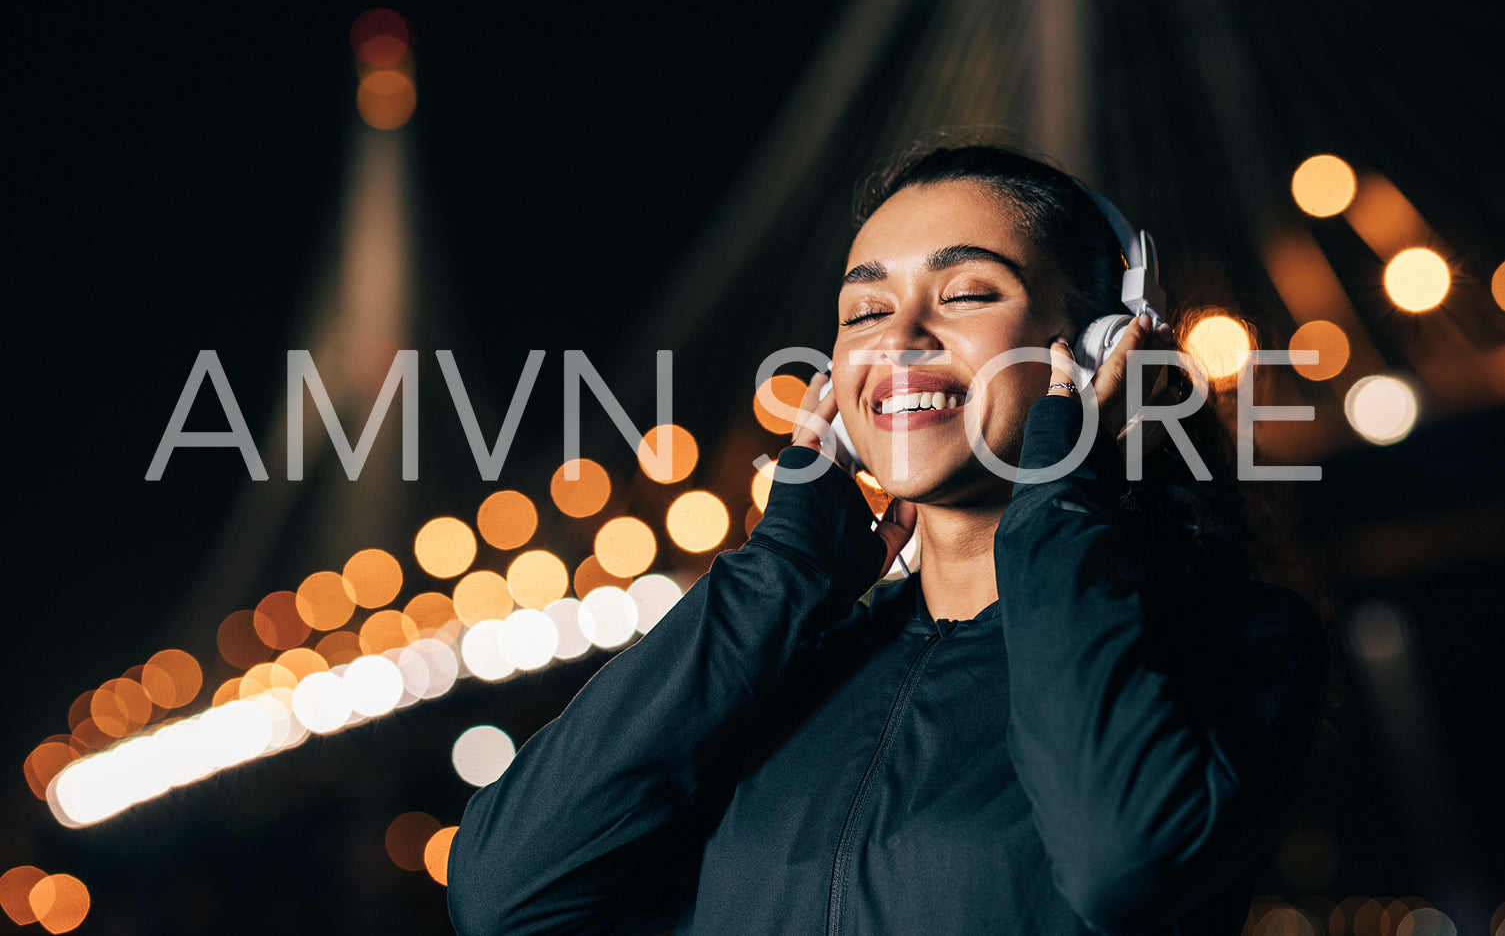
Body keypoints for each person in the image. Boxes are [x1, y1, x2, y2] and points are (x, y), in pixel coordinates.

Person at [447, 143, 1331, 935]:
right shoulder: (782, 661)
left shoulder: (1235, 643)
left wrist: (1062, 485)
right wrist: (780, 569)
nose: (898, 337)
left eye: (965, 294)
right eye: (863, 310)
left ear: (1103, 349)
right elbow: (503, 895)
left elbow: (1119, 866)